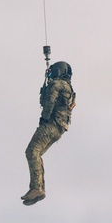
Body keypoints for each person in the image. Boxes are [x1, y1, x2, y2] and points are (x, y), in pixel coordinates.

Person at [22, 60, 75, 205]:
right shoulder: (68, 87)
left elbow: (49, 102)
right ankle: (38, 188)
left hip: (52, 124)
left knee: (32, 151)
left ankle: (37, 188)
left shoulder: (57, 85)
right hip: (60, 127)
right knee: (36, 153)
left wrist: (44, 118)